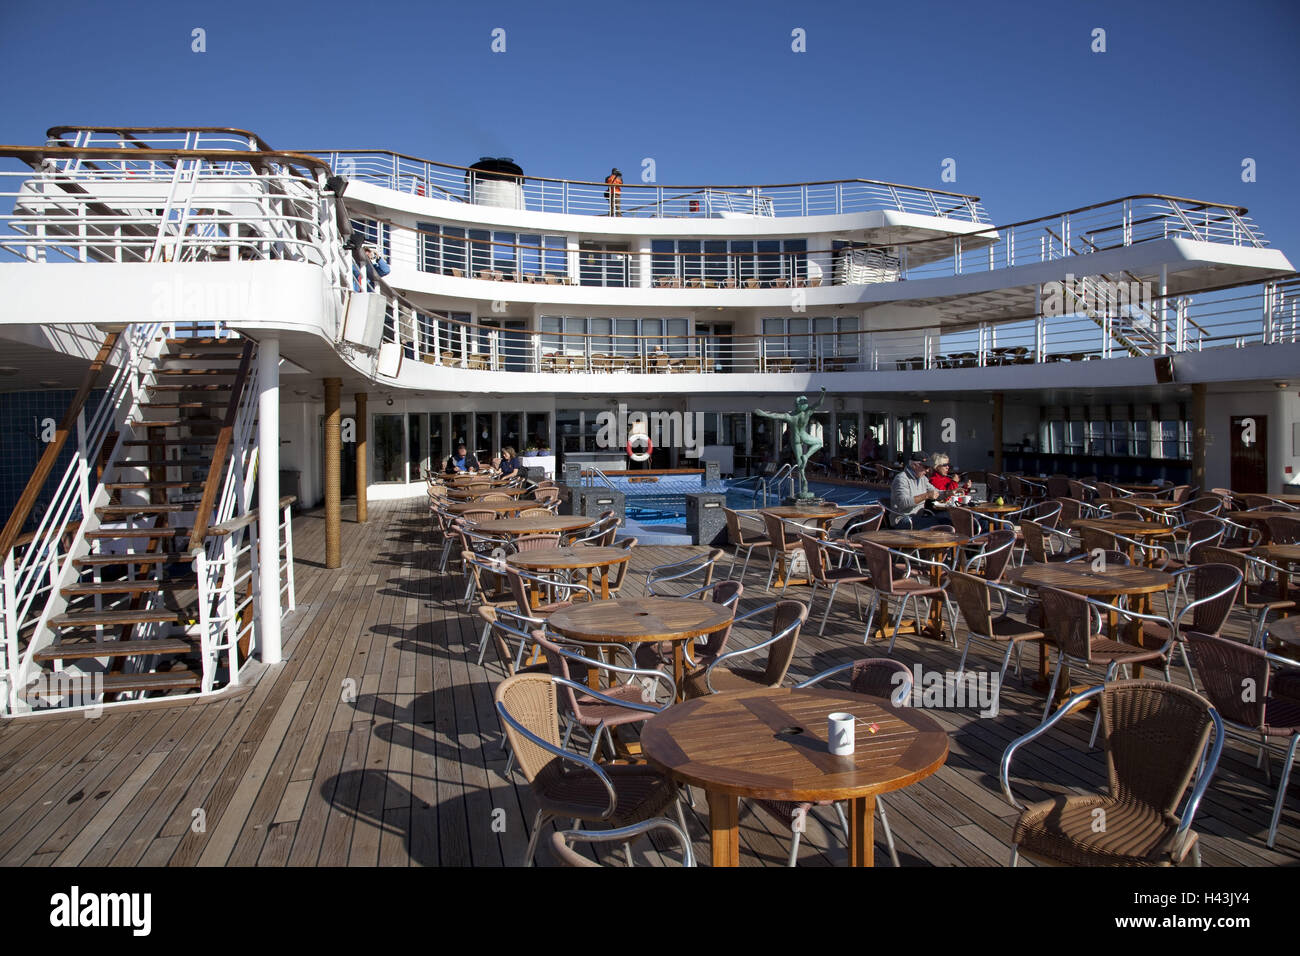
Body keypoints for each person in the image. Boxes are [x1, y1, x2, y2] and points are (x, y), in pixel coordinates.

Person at [890, 451, 942, 528]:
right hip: (903, 520)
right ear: (915, 465)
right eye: (926, 467)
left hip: (918, 517)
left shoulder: (922, 479)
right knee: (940, 524)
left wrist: (950, 492)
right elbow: (903, 503)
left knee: (945, 520)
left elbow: (936, 492)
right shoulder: (901, 479)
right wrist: (926, 495)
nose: (927, 470)